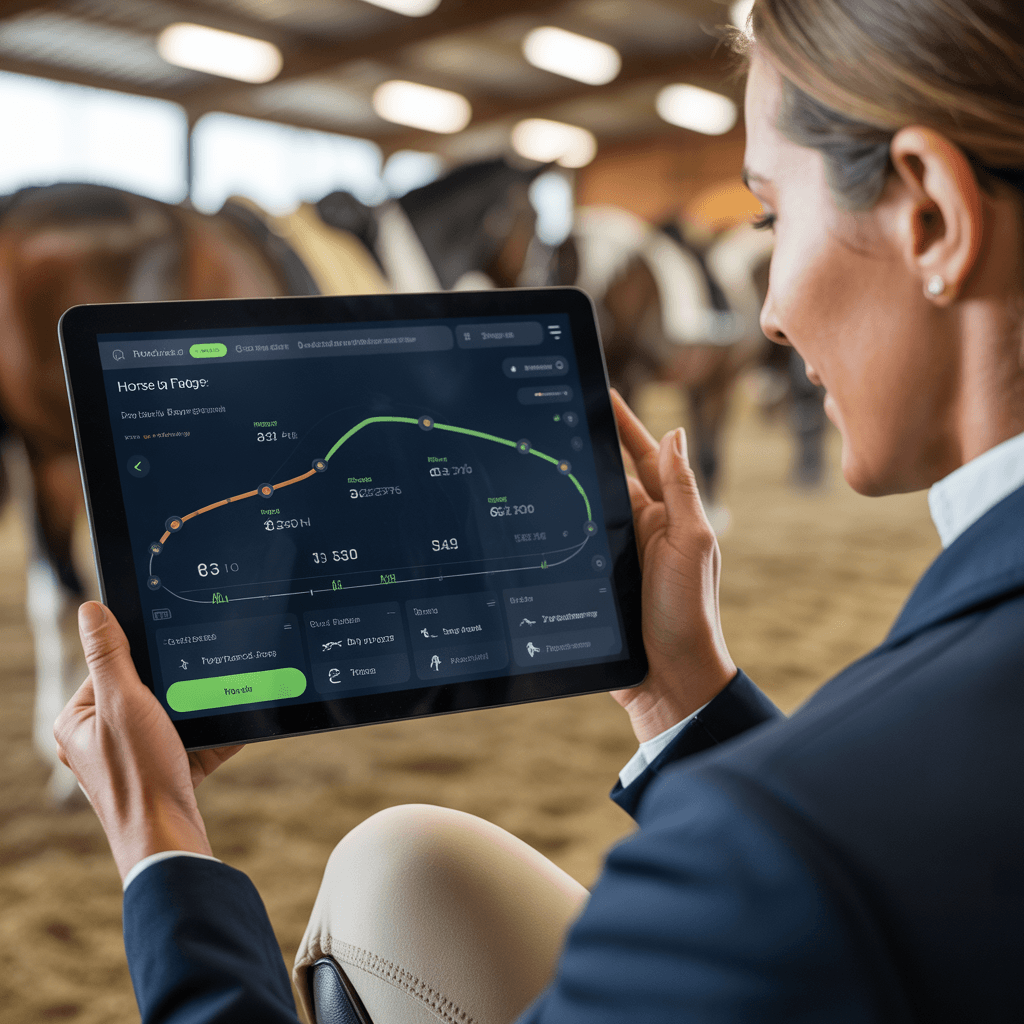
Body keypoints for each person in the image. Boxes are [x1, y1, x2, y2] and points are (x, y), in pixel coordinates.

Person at [54, 0, 1024, 1020]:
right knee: (407, 861)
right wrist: (681, 692)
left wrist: (160, 838)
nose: (770, 316)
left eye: (771, 217)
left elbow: (815, 863)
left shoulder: (777, 854)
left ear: (932, 217)